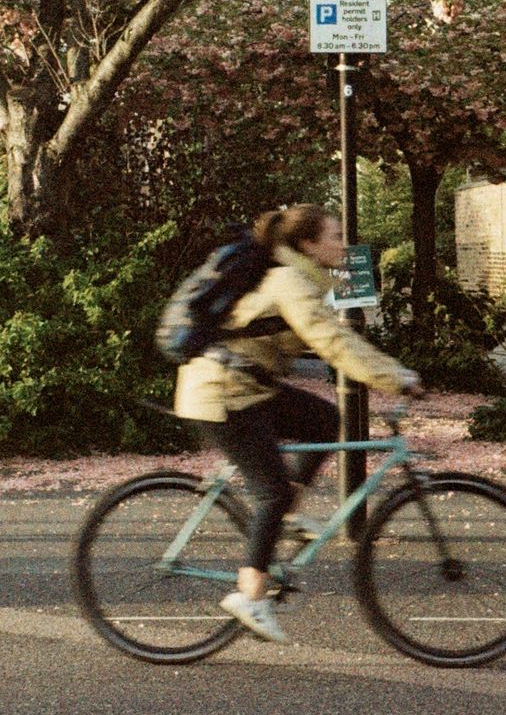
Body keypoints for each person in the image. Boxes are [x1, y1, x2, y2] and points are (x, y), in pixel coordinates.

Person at [173, 203, 421, 644]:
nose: (344, 244)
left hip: (248, 386)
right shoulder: (290, 279)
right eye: (335, 236)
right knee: (272, 490)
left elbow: (332, 336)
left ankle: (284, 516)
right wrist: (395, 378)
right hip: (220, 393)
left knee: (325, 419)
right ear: (309, 244)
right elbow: (333, 342)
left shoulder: (302, 275)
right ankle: (250, 595)